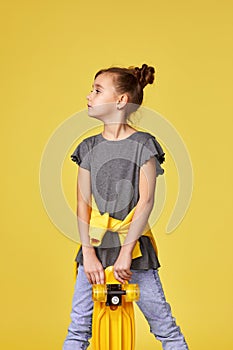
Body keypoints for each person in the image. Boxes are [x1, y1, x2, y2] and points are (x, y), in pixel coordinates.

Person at [63, 64, 189, 350]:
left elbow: (145, 202)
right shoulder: (87, 147)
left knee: (164, 327)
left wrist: (124, 256)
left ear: (121, 100)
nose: (88, 95)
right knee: (79, 329)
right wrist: (88, 255)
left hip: (134, 251)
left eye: (97, 90)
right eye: (91, 89)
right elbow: (83, 203)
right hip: (94, 248)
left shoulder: (144, 145)